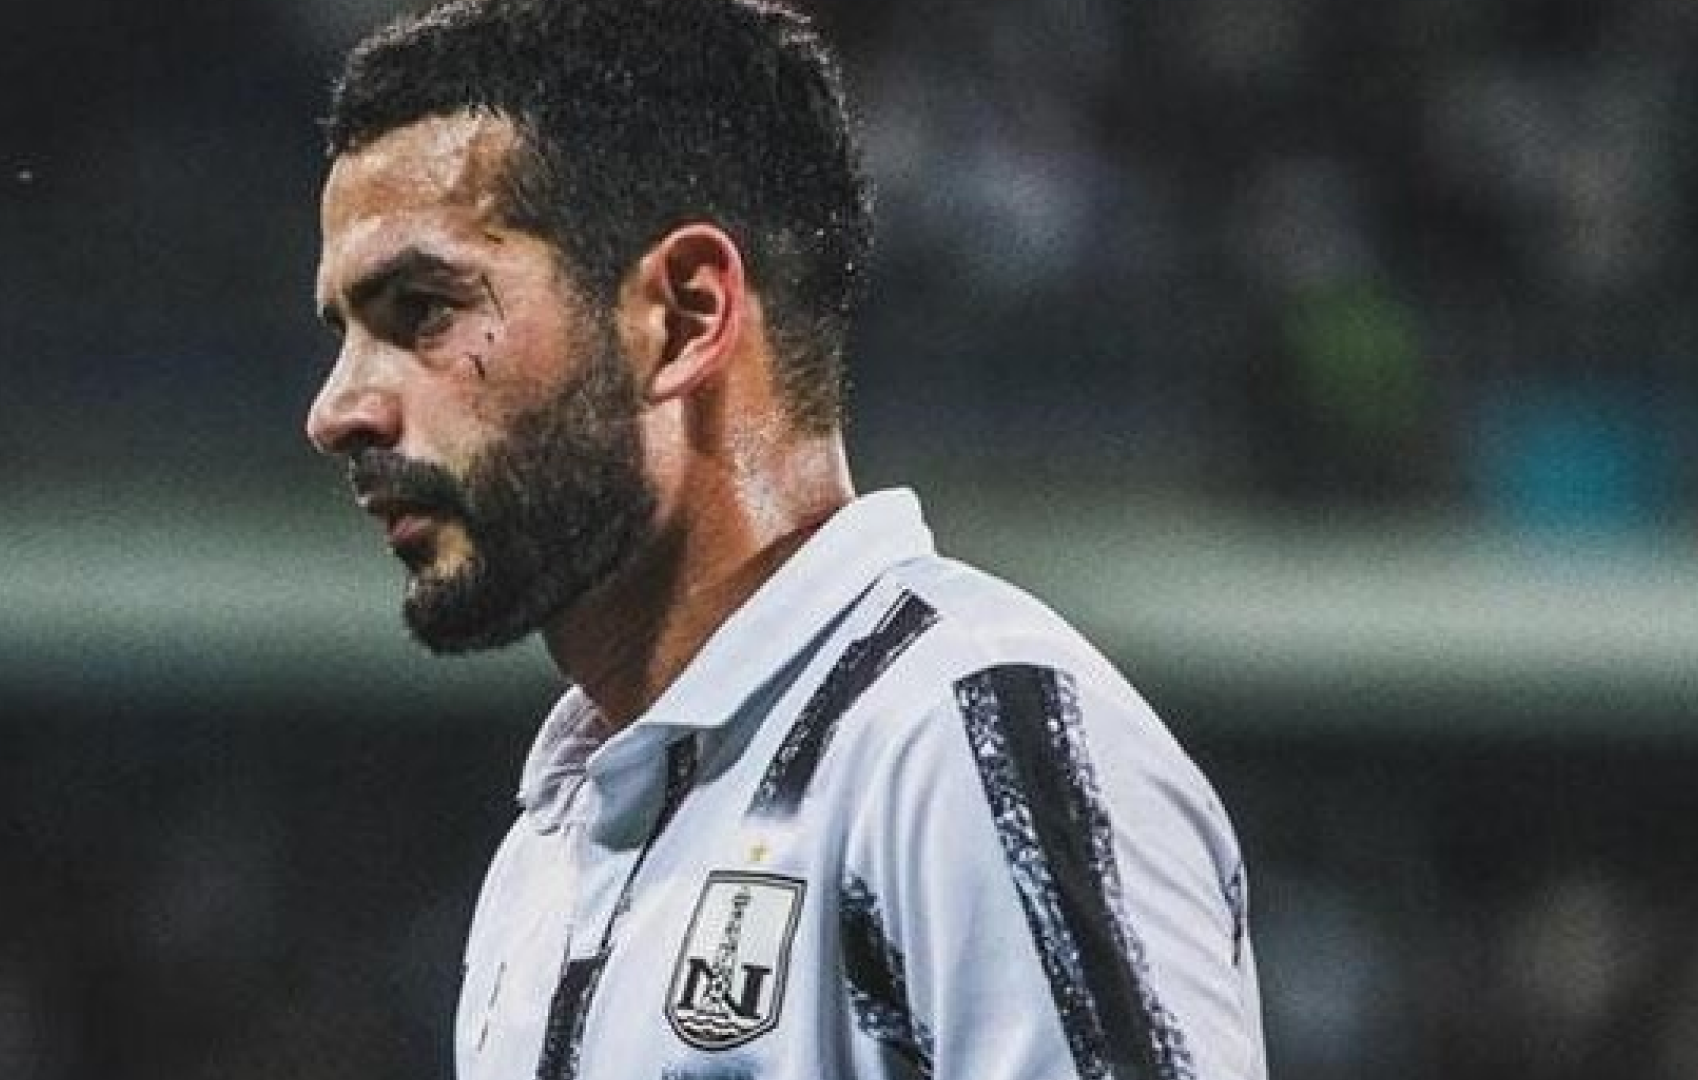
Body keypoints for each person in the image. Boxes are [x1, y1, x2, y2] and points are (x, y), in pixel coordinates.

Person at [304, 0, 1267, 1077]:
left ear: (684, 316)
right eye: (345, 332)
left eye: (423, 310)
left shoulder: (958, 741)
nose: (338, 410)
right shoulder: (549, 851)